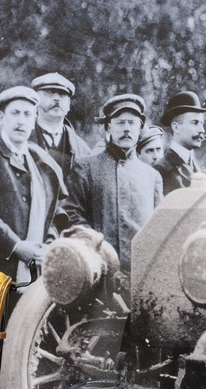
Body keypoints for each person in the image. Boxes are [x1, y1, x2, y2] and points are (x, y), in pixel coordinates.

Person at [0, 85, 65, 283]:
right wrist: (16, 246)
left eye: (27, 115)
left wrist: (48, 244)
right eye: (15, 113)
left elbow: (54, 214)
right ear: (1, 118)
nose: (21, 121)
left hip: (35, 273)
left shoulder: (42, 163)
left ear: (34, 121)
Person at [62, 93, 162, 270]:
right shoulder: (85, 167)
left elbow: (159, 226)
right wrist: (96, 246)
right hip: (98, 268)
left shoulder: (151, 176)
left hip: (141, 271)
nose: (126, 129)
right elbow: (72, 214)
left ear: (140, 129)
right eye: (120, 122)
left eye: (132, 123)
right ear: (108, 128)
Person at [29, 71, 90, 179]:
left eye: (62, 94)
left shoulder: (83, 149)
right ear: (35, 101)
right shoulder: (20, 141)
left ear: (68, 104)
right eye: (49, 92)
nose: (56, 99)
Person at [156, 90, 206, 193]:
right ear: (176, 127)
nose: (202, 130)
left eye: (202, 123)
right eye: (195, 123)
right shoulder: (161, 170)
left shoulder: (198, 168)